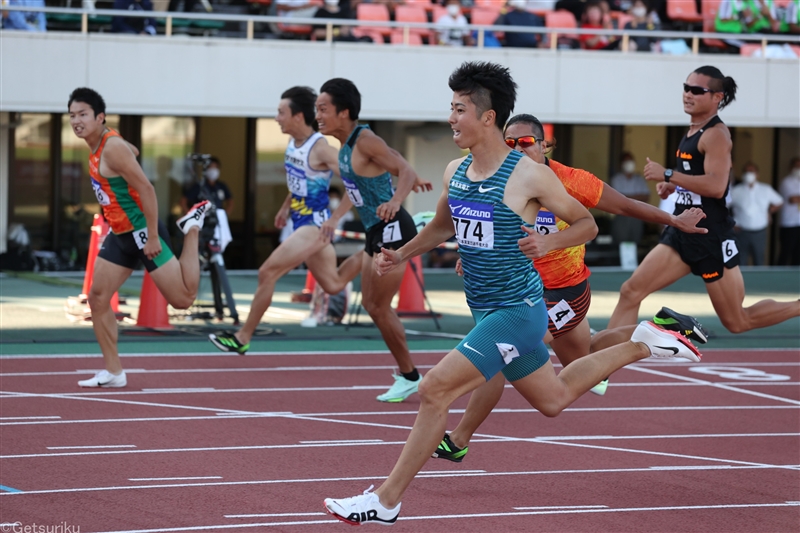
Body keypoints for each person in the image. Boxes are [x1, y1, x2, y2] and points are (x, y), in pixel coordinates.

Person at [322, 61, 702, 526]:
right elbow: (444, 225)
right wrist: (401, 254)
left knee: (434, 389)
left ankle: (386, 500)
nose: (451, 118)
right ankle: (646, 339)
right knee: (554, 399)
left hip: (519, 311)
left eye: (459, 109)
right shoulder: (455, 171)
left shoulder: (528, 176)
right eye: (451, 107)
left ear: (487, 117)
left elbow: (587, 222)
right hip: (484, 309)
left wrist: (549, 241)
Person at [430, 114, 708, 463]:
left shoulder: (570, 181)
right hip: (521, 289)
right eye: (510, 143)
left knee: (498, 355)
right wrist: (473, 257)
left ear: (545, 145)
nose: (517, 149)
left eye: (526, 143)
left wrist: (673, 220)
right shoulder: (502, 179)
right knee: (586, 355)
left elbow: (624, 205)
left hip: (563, 292)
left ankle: (458, 439)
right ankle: (658, 327)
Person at [606, 66, 800, 335]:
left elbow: (717, 187)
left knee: (737, 321)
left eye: (697, 90)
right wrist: (671, 185)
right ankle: (603, 369)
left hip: (711, 237)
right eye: (686, 88)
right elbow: (696, 180)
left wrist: (668, 173)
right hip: (682, 229)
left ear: (717, 97)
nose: (688, 94)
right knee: (631, 291)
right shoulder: (691, 131)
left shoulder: (716, 135)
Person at [69, 88, 210, 388]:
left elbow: (146, 188)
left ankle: (192, 228)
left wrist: (154, 236)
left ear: (99, 117)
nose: (76, 121)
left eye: (83, 114)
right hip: (120, 234)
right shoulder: (99, 144)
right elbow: (131, 151)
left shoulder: (111, 147)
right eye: (72, 115)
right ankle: (114, 372)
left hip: (143, 231)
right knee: (97, 298)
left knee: (183, 299)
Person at [208, 86, 363, 355]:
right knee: (333, 284)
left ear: (298, 116)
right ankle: (375, 250)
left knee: (267, 272)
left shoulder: (321, 148)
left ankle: (242, 337)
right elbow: (298, 179)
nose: (277, 118)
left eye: (281, 113)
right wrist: (284, 207)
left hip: (315, 227)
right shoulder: (294, 143)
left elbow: (356, 181)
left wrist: (335, 219)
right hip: (301, 223)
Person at [315, 78, 434, 403]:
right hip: (374, 229)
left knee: (379, 307)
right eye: (316, 109)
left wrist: (396, 200)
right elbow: (358, 190)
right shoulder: (344, 148)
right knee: (371, 305)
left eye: (323, 109)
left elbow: (404, 170)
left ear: (344, 111)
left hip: (392, 227)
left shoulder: (365, 139)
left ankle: (410, 376)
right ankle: (408, 374)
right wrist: (336, 217)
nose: (318, 116)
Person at [730, 162, 783, 266]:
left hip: (760, 232)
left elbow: (779, 201)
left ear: (757, 174)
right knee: (740, 261)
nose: (749, 174)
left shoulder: (766, 189)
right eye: (746, 171)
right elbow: (723, 207)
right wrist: (731, 222)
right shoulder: (735, 191)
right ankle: (741, 282)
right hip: (741, 232)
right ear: (742, 174)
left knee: (759, 260)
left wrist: (769, 211)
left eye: (751, 171)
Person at [610, 152, 650, 245]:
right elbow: (616, 200)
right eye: (626, 161)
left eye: (631, 161)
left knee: (636, 243)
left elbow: (646, 197)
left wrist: (626, 198)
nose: (629, 163)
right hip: (622, 217)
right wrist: (636, 198)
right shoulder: (616, 179)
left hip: (637, 216)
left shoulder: (639, 179)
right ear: (621, 164)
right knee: (620, 243)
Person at [778, 157, 800, 265]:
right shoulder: (786, 182)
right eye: (796, 166)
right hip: (789, 223)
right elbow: (793, 199)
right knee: (786, 252)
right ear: (791, 168)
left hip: (799, 222)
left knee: (798, 255)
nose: (798, 168)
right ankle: (777, 279)